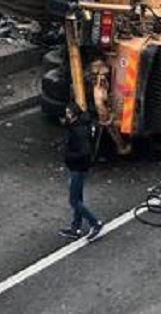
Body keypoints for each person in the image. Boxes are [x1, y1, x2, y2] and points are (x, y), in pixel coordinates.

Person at [59, 102, 103, 242]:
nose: (66, 115)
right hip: (77, 167)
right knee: (78, 198)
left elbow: (84, 151)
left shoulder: (79, 131)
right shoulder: (78, 125)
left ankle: (94, 222)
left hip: (78, 168)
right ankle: (75, 227)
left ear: (74, 115)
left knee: (73, 200)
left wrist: (69, 156)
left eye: (68, 113)